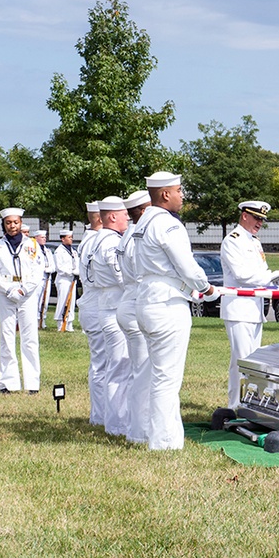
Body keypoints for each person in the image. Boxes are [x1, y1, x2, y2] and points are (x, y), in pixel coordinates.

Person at [133, 171, 217, 450]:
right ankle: (164, 442)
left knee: (153, 373)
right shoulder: (167, 224)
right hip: (166, 301)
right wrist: (206, 288)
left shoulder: (143, 222)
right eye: (179, 190)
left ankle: (143, 432)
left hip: (146, 297)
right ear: (165, 194)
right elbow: (186, 264)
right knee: (167, 377)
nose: (183, 196)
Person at [220, 200, 279, 409]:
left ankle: (244, 403)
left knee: (250, 360)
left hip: (254, 308)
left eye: (262, 220)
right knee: (243, 360)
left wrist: (274, 278)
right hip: (238, 309)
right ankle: (238, 406)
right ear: (244, 215)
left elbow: (261, 272)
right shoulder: (233, 241)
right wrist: (270, 277)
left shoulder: (254, 242)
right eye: (256, 218)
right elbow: (242, 275)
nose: (259, 223)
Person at [0, 208, 45, 394]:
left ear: (21, 223)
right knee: (7, 336)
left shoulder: (32, 244)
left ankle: (32, 383)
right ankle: (8, 383)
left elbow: (38, 270)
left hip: (27, 293)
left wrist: (24, 289)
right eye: (8, 223)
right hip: (6, 292)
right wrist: (8, 288)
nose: (12, 226)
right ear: (3, 224)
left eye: (16, 222)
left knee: (30, 338)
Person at [87, 196, 132, 436]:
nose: (128, 217)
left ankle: (111, 420)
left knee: (112, 367)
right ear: (112, 216)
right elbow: (121, 276)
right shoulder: (111, 243)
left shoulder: (98, 239)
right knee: (120, 368)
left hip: (106, 306)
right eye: (124, 213)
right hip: (115, 309)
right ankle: (117, 425)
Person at [116, 190, 152, 444]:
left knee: (138, 371)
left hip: (127, 301)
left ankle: (135, 425)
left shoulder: (128, 234)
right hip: (138, 302)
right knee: (144, 372)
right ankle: (140, 431)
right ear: (142, 210)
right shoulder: (139, 236)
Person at [77, 200, 107, 427]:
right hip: (97, 305)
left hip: (95, 304)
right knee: (101, 364)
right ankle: (100, 415)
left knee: (103, 364)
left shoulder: (91, 240)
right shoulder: (96, 241)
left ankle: (101, 414)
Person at [54, 229, 79, 332]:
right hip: (63, 279)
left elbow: (76, 262)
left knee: (72, 302)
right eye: (69, 237)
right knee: (63, 301)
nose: (71, 239)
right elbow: (59, 268)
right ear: (63, 239)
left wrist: (76, 270)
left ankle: (69, 323)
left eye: (71, 237)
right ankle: (60, 322)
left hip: (72, 279)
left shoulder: (73, 251)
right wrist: (71, 271)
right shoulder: (58, 251)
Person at [34, 230, 56, 329]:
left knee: (45, 301)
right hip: (38, 279)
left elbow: (53, 265)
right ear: (36, 238)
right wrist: (44, 269)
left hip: (47, 278)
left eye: (45, 237)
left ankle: (42, 320)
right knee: (36, 301)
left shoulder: (47, 250)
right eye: (42, 237)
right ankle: (35, 320)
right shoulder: (34, 250)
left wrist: (49, 269)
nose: (44, 239)